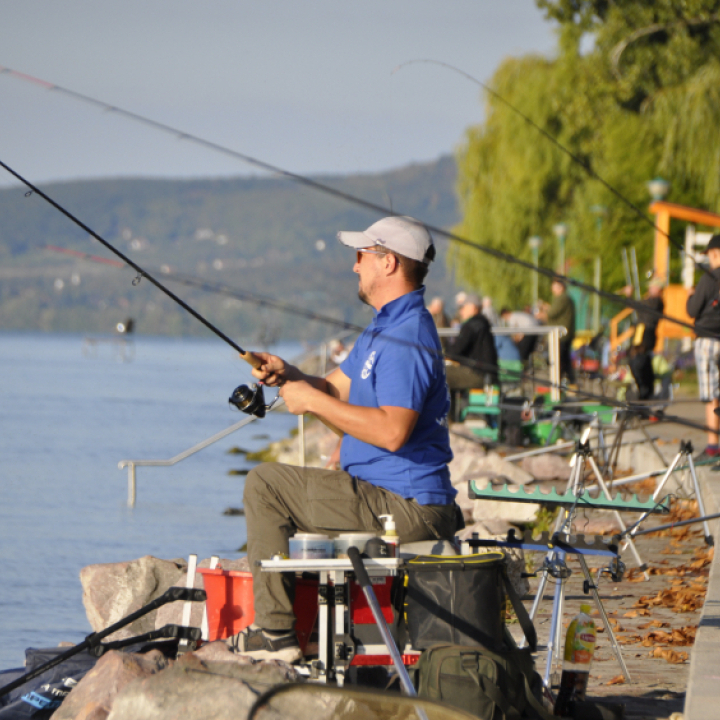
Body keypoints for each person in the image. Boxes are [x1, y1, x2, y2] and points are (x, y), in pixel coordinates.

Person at [233, 216, 461, 662]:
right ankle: (318, 636)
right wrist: (291, 375)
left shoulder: (407, 334)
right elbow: (337, 389)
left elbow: (393, 432)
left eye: (362, 256)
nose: (355, 266)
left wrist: (312, 404)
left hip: (406, 504)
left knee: (265, 486)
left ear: (389, 262)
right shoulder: (385, 327)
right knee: (279, 489)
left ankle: (276, 635)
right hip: (391, 496)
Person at [687, 234, 720, 460]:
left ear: (715, 253)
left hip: (707, 341)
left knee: (711, 396)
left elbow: (692, 310)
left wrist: (691, 297)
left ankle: (712, 446)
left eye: (710, 255)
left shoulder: (708, 279)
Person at [445, 294, 500, 420]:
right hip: (487, 373)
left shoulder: (472, 325)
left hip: (479, 374)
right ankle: (451, 418)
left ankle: (448, 420)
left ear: (474, 308)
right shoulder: (482, 323)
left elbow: (455, 351)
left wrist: (442, 355)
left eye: (464, 307)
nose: (461, 310)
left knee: (440, 375)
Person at [627, 279, 664, 401]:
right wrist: (629, 297)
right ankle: (644, 391)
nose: (650, 289)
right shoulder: (650, 301)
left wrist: (631, 296)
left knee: (640, 362)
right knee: (635, 360)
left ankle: (645, 392)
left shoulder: (656, 301)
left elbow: (641, 305)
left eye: (653, 287)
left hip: (646, 334)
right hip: (640, 333)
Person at [537, 279, 576, 385]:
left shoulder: (562, 298)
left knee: (558, 359)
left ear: (560, 287)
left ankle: (559, 381)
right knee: (565, 359)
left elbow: (553, 313)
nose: (552, 289)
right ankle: (569, 381)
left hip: (560, 335)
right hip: (565, 333)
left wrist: (543, 312)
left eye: (554, 287)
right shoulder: (565, 298)